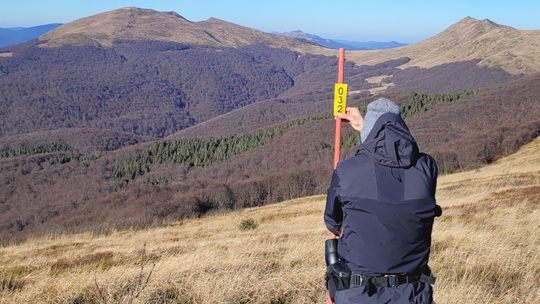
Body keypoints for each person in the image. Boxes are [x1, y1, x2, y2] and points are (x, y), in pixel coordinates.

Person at [324, 98, 441, 304]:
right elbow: (393, 162)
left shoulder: (347, 171)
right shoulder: (427, 168)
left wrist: (366, 132)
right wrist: (366, 128)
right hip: (413, 293)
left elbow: (332, 221)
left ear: (371, 130)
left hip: (359, 294)